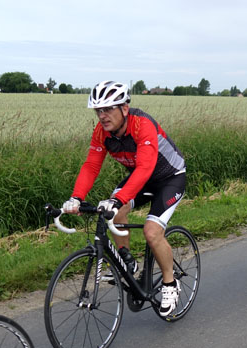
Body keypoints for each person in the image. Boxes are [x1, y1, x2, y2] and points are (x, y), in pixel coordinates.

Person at [61, 80, 186, 317]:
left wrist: (118, 199)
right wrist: (76, 197)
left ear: (125, 108)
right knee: (114, 212)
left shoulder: (142, 125)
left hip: (170, 178)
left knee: (152, 232)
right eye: (98, 110)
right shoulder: (102, 132)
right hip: (141, 178)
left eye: (108, 109)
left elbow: (145, 167)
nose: (102, 116)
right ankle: (127, 261)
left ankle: (170, 283)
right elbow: (91, 166)